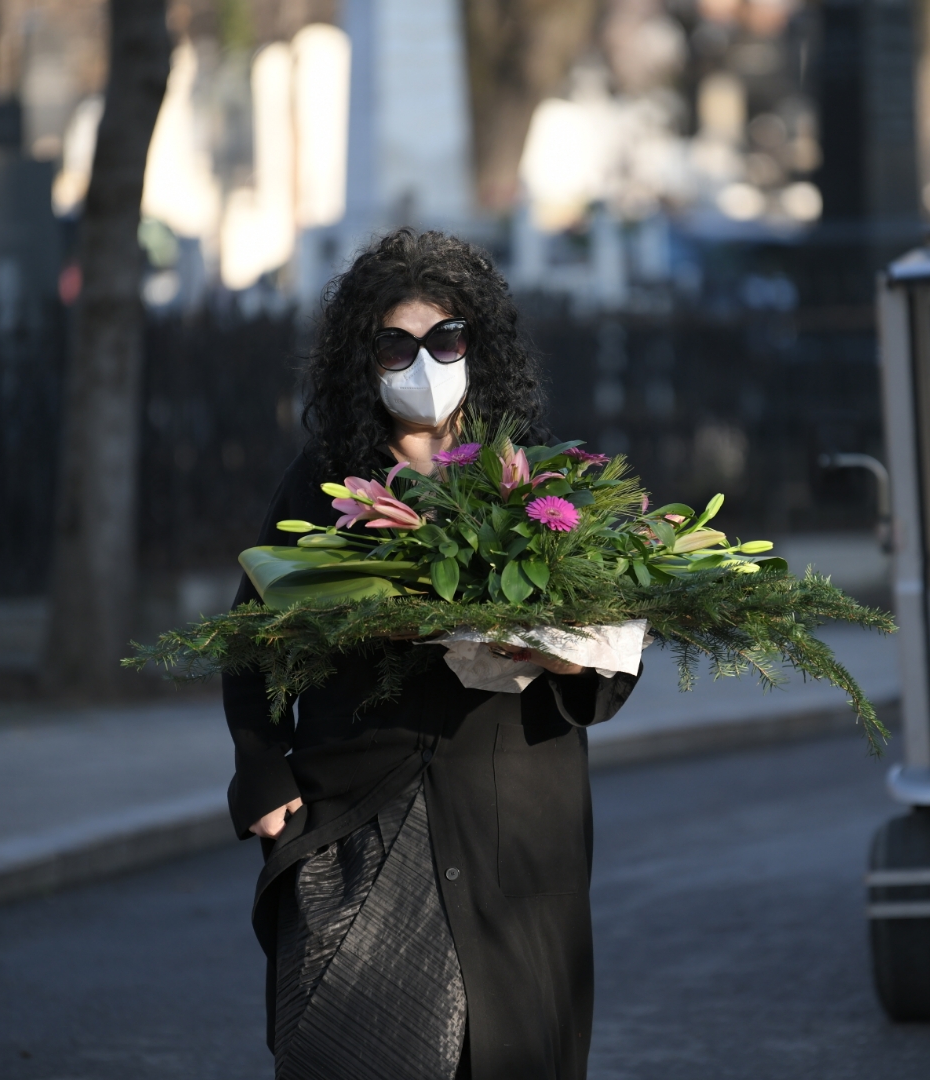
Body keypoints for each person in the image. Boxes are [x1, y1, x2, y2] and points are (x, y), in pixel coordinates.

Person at [223, 229, 641, 1080]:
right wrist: (263, 771)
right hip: (360, 809)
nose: (426, 362)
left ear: (477, 346)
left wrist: (568, 660)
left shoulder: (543, 483)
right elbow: (250, 637)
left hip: (514, 814)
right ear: (362, 360)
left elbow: (607, 654)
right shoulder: (324, 483)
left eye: (446, 339)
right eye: (396, 345)